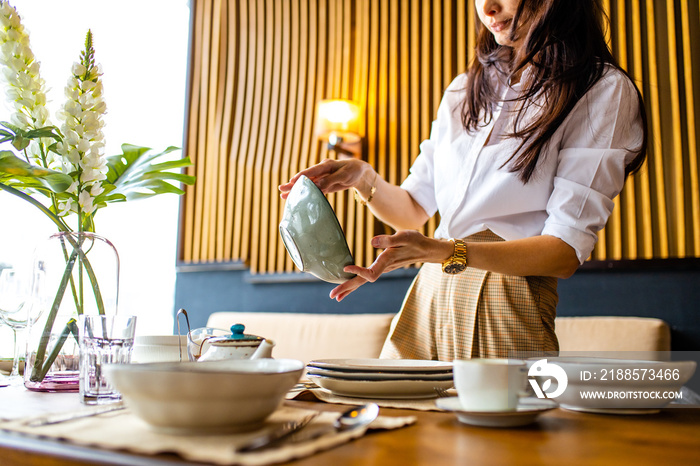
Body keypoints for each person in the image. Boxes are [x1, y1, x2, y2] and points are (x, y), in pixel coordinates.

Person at [279, 0, 647, 360]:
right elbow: (412, 210)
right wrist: (364, 177)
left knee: (496, 419)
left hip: (507, 296)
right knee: (396, 418)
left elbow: (564, 252)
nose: (487, 7)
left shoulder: (601, 89)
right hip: (431, 291)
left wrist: (443, 251)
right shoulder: (463, 90)